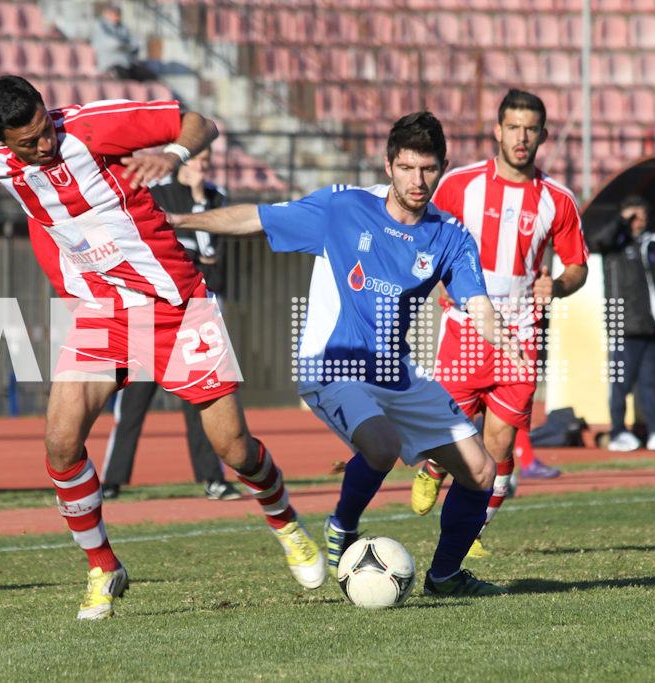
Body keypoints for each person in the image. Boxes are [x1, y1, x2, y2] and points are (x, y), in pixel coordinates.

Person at [0, 75, 324, 620]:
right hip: (105, 312)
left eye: (46, 128)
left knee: (234, 449)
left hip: (176, 304)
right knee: (60, 442)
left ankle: (284, 521)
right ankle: (103, 567)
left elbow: (200, 122)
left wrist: (171, 154)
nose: (44, 144)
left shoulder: (90, 127)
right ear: (0, 139)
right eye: (28, 141)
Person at [171, 111, 526, 597]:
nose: (417, 180)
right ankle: (342, 526)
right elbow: (256, 218)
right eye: (407, 168)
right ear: (387, 166)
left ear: (442, 168)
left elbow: (478, 303)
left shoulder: (450, 235)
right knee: (381, 446)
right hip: (332, 363)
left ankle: (445, 577)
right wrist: (178, 220)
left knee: (481, 470)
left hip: (395, 370)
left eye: (427, 169)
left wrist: (502, 336)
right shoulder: (343, 209)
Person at [410, 89, 589, 558]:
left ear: (544, 136)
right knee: (451, 432)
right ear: (497, 131)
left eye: (531, 129)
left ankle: (470, 534)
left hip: (522, 336)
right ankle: (433, 466)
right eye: (513, 127)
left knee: (500, 444)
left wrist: (561, 287)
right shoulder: (459, 184)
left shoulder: (558, 200)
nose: (521, 137)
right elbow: (423, 231)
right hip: (465, 328)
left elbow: (577, 264)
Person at [102, 148, 242, 502]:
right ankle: (112, 481)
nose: (201, 165)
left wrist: (198, 200)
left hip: (195, 314)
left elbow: (210, 252)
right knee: (133, 402)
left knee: (203, 400)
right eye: (197, 159)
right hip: (153, 313)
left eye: (207, 160)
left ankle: (213, 478)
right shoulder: (156, 194)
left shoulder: (214, 198)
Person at [589, 193, 655, 452]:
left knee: (650, 383)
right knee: (621, 382)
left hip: (651, 324)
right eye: (635, 216)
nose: (640, 222)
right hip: (624, 324)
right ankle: (618, 432)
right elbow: (597, 239)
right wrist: (620, 220)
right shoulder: (615, 244)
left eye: (643, 217)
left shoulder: (649, 245)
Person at [90, 2, 156, 82]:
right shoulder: (100, 26)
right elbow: (111, 44)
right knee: (125, 80)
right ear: (105, 13)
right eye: (112, 13)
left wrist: (125, 46)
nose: (115, 16)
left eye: (117, 14)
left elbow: (136, 43)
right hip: (110, 64)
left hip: (127, 63)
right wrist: (127, 46)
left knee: (150, 77)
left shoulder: (123, 27)